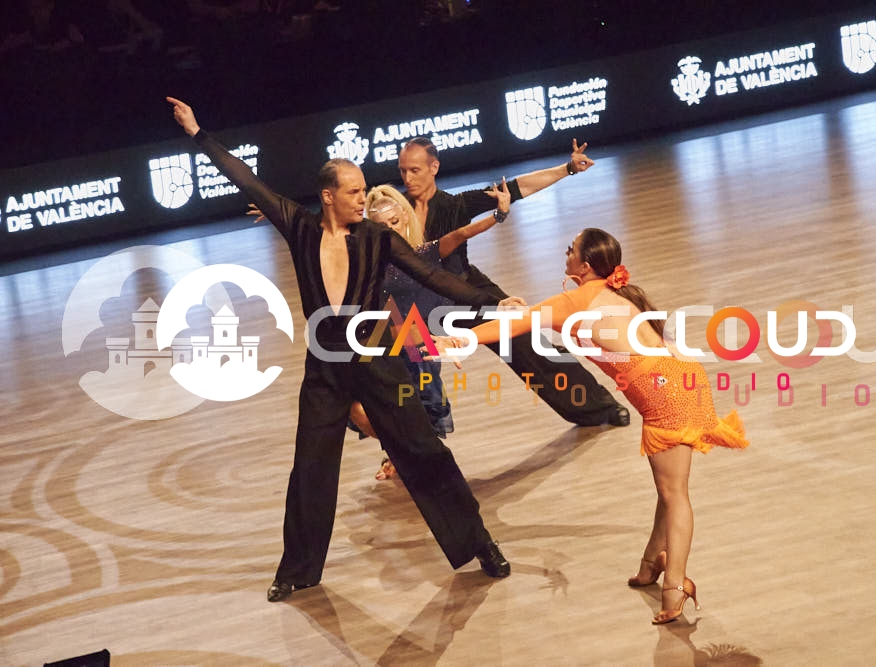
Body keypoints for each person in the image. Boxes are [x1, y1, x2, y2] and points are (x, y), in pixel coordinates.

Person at [165, 97, 514, 603]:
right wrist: (198, 134)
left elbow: (433, 275)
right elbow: (247, 180)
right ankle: (298, 570)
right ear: (328, 196)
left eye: (363, 189)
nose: (363, 198)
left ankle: (479, 544)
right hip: (325, 368)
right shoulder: (300, 227)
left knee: (423, 451)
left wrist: (492, 302)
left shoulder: (377, 238)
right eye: (353, 191)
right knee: (311, 466)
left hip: (377, 359)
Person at [433, 228, 750, 624]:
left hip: (664, 392)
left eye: (571, 250)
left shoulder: (576, 300)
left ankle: (675, 585)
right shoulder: (618, 293)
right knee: (669, 489)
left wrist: (457, 341)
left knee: (675, 494)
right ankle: (652, 563)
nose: (565, 253)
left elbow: (513, 325)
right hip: (681, 378)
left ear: (583, 266)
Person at [399, 137, 631, 428]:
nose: (407, 178)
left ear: (434, 168)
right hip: (421, 302)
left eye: (415, 170)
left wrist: (568, 168)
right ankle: (408, 443)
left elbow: (518, 188)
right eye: (403, 171)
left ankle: (598, 407)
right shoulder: (395, 209)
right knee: (410, 370)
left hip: (467, 291)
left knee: (530, 344)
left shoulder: (455, 205)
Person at [348, 181, 514, 480]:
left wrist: (499, 215)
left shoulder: (422, 254)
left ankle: (411, 459)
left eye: (395, 222)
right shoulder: (367, 262)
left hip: (418, 340)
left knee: (420, 403)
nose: (391, 230)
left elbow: (462, 233)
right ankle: (401, 453)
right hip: (384, 339)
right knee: (376, 405)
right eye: (382, 227)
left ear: (405, 216)